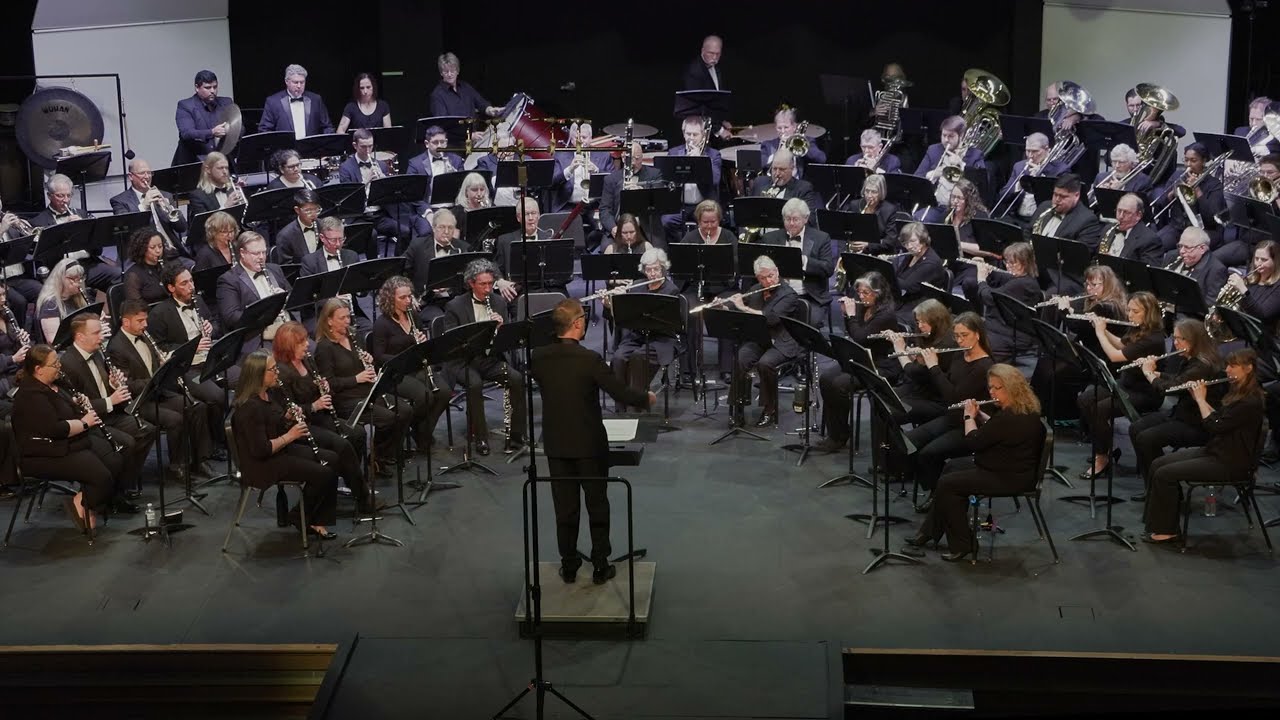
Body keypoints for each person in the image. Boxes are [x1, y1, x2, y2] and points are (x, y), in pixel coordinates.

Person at [530, 298, 655, 584]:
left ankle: (570, 565)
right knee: (596, 504)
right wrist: (645, 398)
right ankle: (600, 564)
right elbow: (619, 392)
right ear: (576, 324)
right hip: (588, 444)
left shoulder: (539, 357)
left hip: (557, 444)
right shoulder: (589, 360)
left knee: (565, 508)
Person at [902, 364, 1045, 562]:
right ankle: (928, 532)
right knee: (951, 467)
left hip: (1008, 477)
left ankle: (963, 545)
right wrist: (982, 415)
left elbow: (973, 441)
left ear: (1012, 388)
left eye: (997, 388)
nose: (992, 392)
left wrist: (969, 416)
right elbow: (997, 431)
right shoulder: (1023, 410)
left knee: (948, 485)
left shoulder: (1008, 417)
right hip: (1011, 469)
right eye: (990, 388)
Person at [1143, 349, 1265, 544]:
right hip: (1217, 451)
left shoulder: (1250, 401)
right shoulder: (1238, 392)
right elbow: (1219, 418)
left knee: (1165, 474)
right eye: (1227, 365)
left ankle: (1167, 531)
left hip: (1230, 462)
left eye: (1233, 366)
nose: (1227, 370)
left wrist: (1200, 400)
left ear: (1248, 368)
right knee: (1159, 463)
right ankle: (1157, 523)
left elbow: (1212, 426)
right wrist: (1199, 398)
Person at [13, 344, 125, 535]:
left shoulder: (56, 383)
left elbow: (66, 408)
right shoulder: (30, 395)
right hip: (45, 452)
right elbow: (55, 429)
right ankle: (82, 504)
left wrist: (77, 403)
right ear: (38, 370)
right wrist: (85, 423)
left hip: (70, 442)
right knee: (101, 477)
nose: (59, 367)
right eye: (54, 364)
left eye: (58, 362)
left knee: (114, 459)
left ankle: (86, 501)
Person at [232, 350, 340, 539]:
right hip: (262, 465)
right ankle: (302, 517)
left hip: (278, 452)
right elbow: (261, 450)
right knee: (324, 473)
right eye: (272, 369)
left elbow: (273, 425)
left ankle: (313, 517)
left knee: (332, 459)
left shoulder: (268, 394)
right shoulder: (250, 408)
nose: (277, 373)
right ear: (258, 375)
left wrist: (287, 418)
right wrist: (291, 435)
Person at [107, 299, 213, 481]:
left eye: (145, 320)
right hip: (139, 400)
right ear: (126, 322)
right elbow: (127, 385)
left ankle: (200, 460)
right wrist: (154, 378)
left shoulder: (145, 335)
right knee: (175, 419)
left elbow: (154, 363)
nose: (145, 324)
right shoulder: (116, 348)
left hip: (158, 392)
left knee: (197, 407)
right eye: (140, 321)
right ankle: (176, 465)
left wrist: (165, 365)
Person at [58, 314, 155, 510]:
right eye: (95, 333)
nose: (101, 337)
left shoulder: (98, 353)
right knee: (126, 443)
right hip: (90, 421)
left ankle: (123, 485)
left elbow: (101, 387)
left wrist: (113, 384)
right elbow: (75, 407)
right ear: (79, 337)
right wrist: (110, 400)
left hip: (110, 413)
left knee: (147, 430)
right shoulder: (68, 363)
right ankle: (111, 495)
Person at [271, 323, 371, 511]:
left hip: (319, 417)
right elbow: (287, 411)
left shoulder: (307, 361)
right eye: (301, 343)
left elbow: (322, 391)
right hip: (300, 426)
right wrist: (314, 406)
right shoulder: (282, 373)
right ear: (288, 346)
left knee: (357, 434)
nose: (307, 345)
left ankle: (349, 480)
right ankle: (362, 495)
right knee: (341, 445)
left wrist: (324, 388)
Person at [1128, 318, 1222, 502]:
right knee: (1136, 428)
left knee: (1147, 438)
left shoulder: (1202, 365)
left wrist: (1148, 373)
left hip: (1197, 424)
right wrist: (1157, 373)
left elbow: (1168, 389)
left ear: (1194, 341)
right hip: (1181, 415)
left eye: (1180, 339)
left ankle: (1167, 493)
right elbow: (1178, 379)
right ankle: (1153, 488)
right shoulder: (1191, 359)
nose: (1175, 343)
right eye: (1175, 338)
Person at [441, 259, 528, 455]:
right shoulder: (454, 306)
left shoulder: (498, 302)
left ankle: (517, 434)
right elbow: (452, 343)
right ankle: (480, 438)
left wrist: (498, 330)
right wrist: (481, 331)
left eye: (490, 284)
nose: (488, 289)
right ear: (471, 283)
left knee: (516, 378)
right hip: (463, 360)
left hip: (488, 358)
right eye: (483, 284)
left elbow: (504, 342)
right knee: (475, 384)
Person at [314, 299, 412, 469]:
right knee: (388, 418)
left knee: (405, 410)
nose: (347, 321)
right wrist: (356, 379)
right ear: (329, 320)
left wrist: (369, 360)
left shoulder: (353, 336)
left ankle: (381, 454)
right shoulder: (325, 348)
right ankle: (376, 459)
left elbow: (366, 367)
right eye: (342, 318)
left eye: (348, 317)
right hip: (345, 399)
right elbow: (329, 384)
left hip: (367, 391)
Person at [1077, 291, 1166, 479]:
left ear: (1148, 313)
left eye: (1135, 311)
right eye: (1129, 310)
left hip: (1145, 391)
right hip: (1126, 383)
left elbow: (1115, 356)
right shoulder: (1138, 327)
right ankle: (1106, 449)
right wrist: (1103, 327)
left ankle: (1102, 457)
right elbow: (1121, 344)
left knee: (1099, 409)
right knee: (1086, 399)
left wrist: (1100, 333)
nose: (1129, 315)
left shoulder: (1154, 338)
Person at [814, 272, 899, 452]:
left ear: (879, 293)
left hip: (879, 365)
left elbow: (859, 337)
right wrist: (848, 316)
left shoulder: (886, 315)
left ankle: (840, 436)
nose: (861, 297)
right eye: (860, 292)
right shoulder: (863, 308)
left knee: (839, 384)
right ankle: (836, 433)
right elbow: (854, 333)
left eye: (866, 293)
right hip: (861, 358)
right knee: (826, 379)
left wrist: (850, 316)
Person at [368, 276, 451, 452]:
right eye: (402, 298)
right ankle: (414, 429)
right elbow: (379, 356)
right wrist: (405, 355)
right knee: (424, 396)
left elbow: (420, 344)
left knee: (444, 392)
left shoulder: (413, 315)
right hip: (395, 372)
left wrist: (422, 341)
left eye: (409, 296)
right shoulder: (382, 324)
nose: (408, 301)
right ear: (390, 298)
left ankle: (421, 430)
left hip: (415, 367)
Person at [147, 264, 227, 430]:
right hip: (188, 368)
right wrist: (192, 347)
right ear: (171, 288)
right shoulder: (159, 313)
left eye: (191, 281)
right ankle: (219, 441)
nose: (191, 286)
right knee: (218, 396)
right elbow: (160, 348)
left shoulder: (198, 300)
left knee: (247, 378)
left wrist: (211, 327)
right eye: (184, 283)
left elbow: (216, 324)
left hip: (212, 359)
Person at [731, 256, 802, 427]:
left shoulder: (789, 295)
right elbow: (739, 312)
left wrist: (744, 308)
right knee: (742, 357)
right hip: (760, 339)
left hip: (782, 341)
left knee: (765, 363)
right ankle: (738, 406)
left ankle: (769, 409)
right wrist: (726, 306)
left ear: (777, 272)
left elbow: (771, 319)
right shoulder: (756, 290)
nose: (768, 281)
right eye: (763, 278)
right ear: (758, 278)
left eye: (771, 276)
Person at [609, 248, 679, 411]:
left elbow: (669, 323)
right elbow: (624, 318)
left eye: (656, 269)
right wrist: (614, 301)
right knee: (618, 358)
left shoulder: (671, 290)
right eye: (649, 269)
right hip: (637, 336)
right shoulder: (637, 286)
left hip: (661, 338)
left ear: (663, 268)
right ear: (644, 270)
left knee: (638, 357)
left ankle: (639, 405)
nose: (653, 273)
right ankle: (620, 407)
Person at [677, 200, 737, 381]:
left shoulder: (728, 237)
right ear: (698, 222)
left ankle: (726, 367)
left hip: (722, 288)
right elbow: (680, 269)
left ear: (719, 220)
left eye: (713, 222)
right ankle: (688, 369)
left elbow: (736, 266)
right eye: (705, 222)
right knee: (689, 312)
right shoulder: (690, 238)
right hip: (696, 287)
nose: (709, 226)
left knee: (727, 310)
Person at [340, 128, 425, 250]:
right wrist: (366, 181)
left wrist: (386, 183)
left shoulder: (381, 165)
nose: (368, 150)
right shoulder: (346, 168)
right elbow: (349, 198)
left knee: (405, 231)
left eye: (370, 146)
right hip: (360, 216)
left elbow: (388, 196)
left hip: (379, 215)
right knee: (372, 236)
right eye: (363, 147)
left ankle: (399, 264)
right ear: (355, 145)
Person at [32, 174, 116, 294]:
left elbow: (98, 250)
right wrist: (63, 229)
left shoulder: (82, 214)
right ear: (49, 196)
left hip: (87, 265)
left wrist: (84, 228)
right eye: (60, 196)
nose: (65, 200)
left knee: (119, 275)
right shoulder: (39, 221)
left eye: (68, 195)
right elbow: (44, 256)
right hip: (61, 269)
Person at [215, 231, 293, 355]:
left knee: (312, 349)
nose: (261, 257)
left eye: (263, 252)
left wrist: (284, 297)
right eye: (256, 253)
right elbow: (231, 317)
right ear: (242, 253)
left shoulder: (274, 269)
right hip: (258, 337)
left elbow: (293, 297)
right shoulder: (229, 280)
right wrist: (265, 312)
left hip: (286, 329)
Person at [759, 198, 833, 324]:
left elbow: (828, 269)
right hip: (778, 295)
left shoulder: (821, 238)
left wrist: (803, 261)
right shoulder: (769, 238)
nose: (791, 223)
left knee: (808, 326)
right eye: (788, 219)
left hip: (810, 296)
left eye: (795, 219)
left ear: (805, 219)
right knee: (764, 320)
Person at [969, 241, 1043, 363]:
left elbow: (988, 297)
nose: (1008, 266)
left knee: (974, 342)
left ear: (1025, 263)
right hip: (1000, 326)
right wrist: (987, 268)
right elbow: (1001, 277)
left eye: (1012, 263)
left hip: (1012, 333)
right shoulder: (1020, 278)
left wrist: (981, 279)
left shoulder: (1023, 284)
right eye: (1006, 262)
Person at [1150, 143, 1228, 257]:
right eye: (1186, 160)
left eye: (1193, 160)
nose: (1188, 165)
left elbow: (1213, 219)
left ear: (1203, 161)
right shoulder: (1178, 176)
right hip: (1177, 227)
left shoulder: (1214, 184)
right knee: (1153, 245)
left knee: (1185, 253)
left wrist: (1198, 192)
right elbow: (1159, 203)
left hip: (1203, 231)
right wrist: (1172, 194)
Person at [110, 158, 190, 265]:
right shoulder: (119, 201)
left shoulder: (165, 195)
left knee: (194, 267)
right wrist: (143, 206)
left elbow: (182, 228)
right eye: (142, 173)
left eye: (149, 173)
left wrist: (169, 209)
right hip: (141, 256)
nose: (147, 177)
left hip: (170, 252)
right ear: (131, 176)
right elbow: (127, 230)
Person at [660, 116, 721, 243]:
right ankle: (679, 248)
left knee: (707, 223)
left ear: (703, 135)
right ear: (683, 133)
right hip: (680, 204)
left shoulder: (713, 154)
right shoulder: (674, 152)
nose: (691, 138)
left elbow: (715, 179)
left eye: (695, 134)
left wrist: (700, 160)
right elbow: (665, 180)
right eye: (688, 134)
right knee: (666, 222)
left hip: (703, 204)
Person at [405, 209, 470, 325]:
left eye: (450, 228)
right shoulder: (418, 245)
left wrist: (451, 286)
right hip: (427, 302)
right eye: (442, 227)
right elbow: (401, 272)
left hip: (455, 299)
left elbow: (470, 278)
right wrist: (409, 295)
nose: (446, 231)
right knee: (440, 320)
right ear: (434, 228)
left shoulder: (463, 248)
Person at [916, 115, 986, 220]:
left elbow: (982, 185)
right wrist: (932, 174)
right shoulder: (934, 150)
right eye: (943, 135)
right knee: (919, 218)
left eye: (951, 136)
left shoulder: (975, 155)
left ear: (961, 135)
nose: (946, 140)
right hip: (938, 206)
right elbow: (917, 177)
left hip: (963, 208)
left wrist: (962, 165)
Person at [598, 141, 664, 241]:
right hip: (619, 227)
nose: (633, 162)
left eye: (636, 158)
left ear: (642, 157)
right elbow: (604, 209)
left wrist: (641, 193)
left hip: (646, 228)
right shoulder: (611, 179)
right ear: (623, 158)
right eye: (630, 158)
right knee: (608, 250)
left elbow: (659, 203)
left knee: (658, 252)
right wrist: (613, 228)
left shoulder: (654, 174)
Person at [994, 132, 1066, 221]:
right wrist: (1017, 187)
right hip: (1016, 218)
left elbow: (1056, 202)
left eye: (1035, 151)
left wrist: (1040, 179)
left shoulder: (1060, 170)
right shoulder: (1019, 166)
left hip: (1042, 220)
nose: (1031, 155)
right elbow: (1002, 197)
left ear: (1047, 150)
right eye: (1028, 151)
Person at [890, 222, 948, 327]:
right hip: (907, 300)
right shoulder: (912, 256)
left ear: (923, 239)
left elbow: (907, 285)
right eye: (905, 243)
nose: (909, 246)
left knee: (888, 318)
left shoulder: (931, 263)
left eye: (912, 241)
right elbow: (899, 277)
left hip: (922, 306)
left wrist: (887, 273)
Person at [173, 69, 235, 165]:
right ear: (197, 88)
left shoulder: (226, 102)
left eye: (215, 87)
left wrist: (230, 129)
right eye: (207, 87)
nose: (212, 91)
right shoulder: (185, 105)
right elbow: (187, 133)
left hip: (221, 161)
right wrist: (212, 132)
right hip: (194, 162)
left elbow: (240, 127)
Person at [257, 64, 334, 139]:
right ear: (286, 81)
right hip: (284, 150)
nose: (299, 86)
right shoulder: (273, 102)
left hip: (311, 150)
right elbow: (264, 131)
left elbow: (327, 127)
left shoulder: (316, 99)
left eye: (302, 82)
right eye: (296, 82)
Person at [1159, 227, 1229, 308]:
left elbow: (1209, 306)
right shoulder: (1171, 256)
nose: (1181, 251)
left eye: (1187, 247)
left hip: (1188, 316)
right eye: (1180, 246)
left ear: (1202, 248)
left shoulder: (1216, 270)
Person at [746, 148, 821, 221]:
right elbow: (749, 211)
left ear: (792, 169)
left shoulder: (804, 188)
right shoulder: (759, 182)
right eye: (774, 169)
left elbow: (809, 219)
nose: (777, 174)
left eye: (782, 169)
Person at [556, 122, 615, 211]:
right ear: (571, 140)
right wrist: (569, 169)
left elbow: (613, 180)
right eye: (576, 138)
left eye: (584, 137)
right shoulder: (560, 156)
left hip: (595, 206)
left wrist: (596, 171)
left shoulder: (604, 155)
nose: (580, 141)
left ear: (591, 138)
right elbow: (552, 182)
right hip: (569, 206)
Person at [428, 53, 503, 124]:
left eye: (452, 71)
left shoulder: (465, 87)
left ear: (458, 71)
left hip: (473, 134)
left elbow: (480, 103)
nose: (449, 74)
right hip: (456, 137)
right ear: (441, 73)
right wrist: (470, 135)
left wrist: (490, 110)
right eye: (446, 72)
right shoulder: (437, 95)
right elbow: (444, 125)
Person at [1223, 239, 1280, 333]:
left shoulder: (1277, 286)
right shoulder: (1250, 279)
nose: (1258, 263)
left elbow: (1262, 315)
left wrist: (1243, 290)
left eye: (1264, 260)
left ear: (1276, 261)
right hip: (1240, 329)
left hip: (1261, 335)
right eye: (1256, 258)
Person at [759, 106, 827, 178]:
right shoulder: (768, 144)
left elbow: (822, 159)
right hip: (775, 183)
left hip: (798, 185)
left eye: (786, 127)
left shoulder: (805, 141)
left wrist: (802, 146)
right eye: (779, 128)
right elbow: (761, 163)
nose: (782, 131)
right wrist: (779, 153)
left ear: (794, 126)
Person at [839, 174, 902, 252]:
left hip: (878, 253)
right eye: (867, 191)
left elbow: (890, 240)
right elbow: (844, 232)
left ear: (881, 192)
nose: (869, 195)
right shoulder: (854, 205)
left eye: (874, 192)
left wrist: (868, 245)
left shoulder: (889, 210)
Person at [35, 259, 89, 344]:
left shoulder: (77, 297)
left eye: (81, 277)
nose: (80, 282)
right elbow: (53, 341)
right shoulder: (50, 305)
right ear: (61, 279)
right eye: (74, 278)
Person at [1100, 193, 1163, 266]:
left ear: (1138, 215)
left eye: (1126, 212)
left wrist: (1114, 263)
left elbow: (1146, 273)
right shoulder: (1107, 229)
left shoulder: (1150, 240)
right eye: (1119, 211)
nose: (1120, 216)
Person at [187, 152, 246, 217]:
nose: (225, 172)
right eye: (220, 168)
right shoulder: (197, 196)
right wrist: (226, 207)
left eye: (226, 168)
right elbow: (203, 223)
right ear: (208, 170)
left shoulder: (233, 190)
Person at [275, 190, 325, 267]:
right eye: (308, 211)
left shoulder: (324, 226)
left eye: (316, 209)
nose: (313, 214)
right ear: (297, 210)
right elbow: (287, 268)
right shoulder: (285, 236)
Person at [122, 228, 169, 303]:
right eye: (152, 247)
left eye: (160, 246)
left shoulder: (166, 267)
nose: (158, 251)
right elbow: (136, 308)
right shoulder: (133, 275)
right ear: (142, 249)